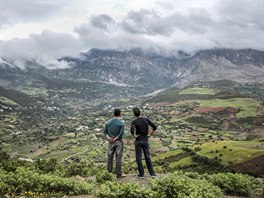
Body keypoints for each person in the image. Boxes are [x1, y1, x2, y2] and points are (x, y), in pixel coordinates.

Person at [130, 107, 157, 178]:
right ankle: (152, 174)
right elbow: (154, 127)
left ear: (134, 114)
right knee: (147, 156)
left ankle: (141, 174)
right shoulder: (146, 120)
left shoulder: (134, 121)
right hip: (145, 140)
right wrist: (150, 135)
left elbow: (132, 131)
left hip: (138, 141)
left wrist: (134, 136)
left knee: (138, 157)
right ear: (140, 112)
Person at [104, 109, 126, 178]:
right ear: (119, 114)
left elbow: (105, 132)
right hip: (118, 142)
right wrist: (115, 138)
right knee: (118, 157)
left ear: (114, 114)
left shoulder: (108, 122)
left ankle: (109, 173)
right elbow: (121, 133)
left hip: (110, 142)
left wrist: (109, 138)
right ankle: (118, 174)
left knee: (110, 157)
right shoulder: (121, 123)